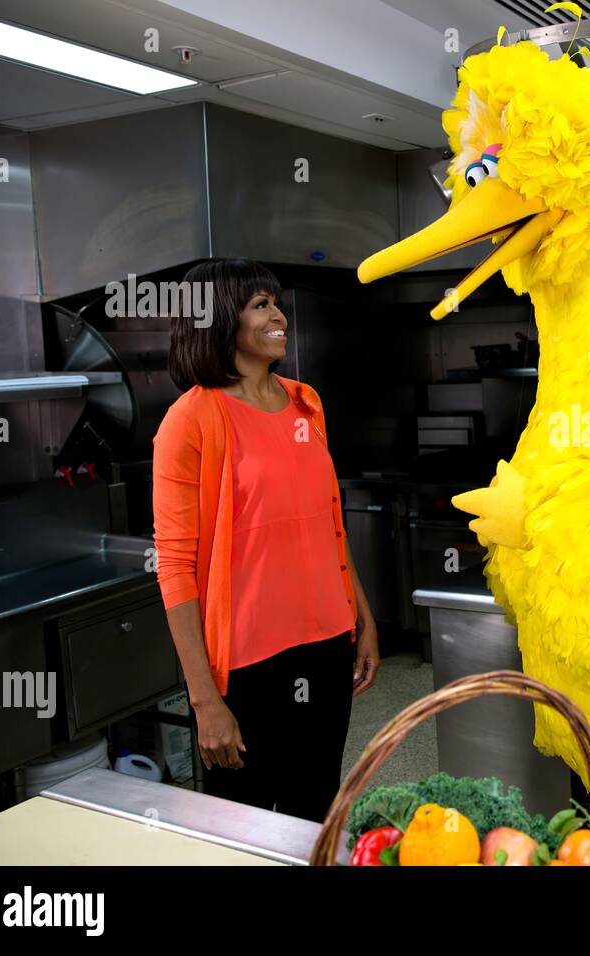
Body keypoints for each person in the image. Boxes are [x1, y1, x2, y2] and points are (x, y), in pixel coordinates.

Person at [152, 258, 378, 822]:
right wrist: (204, 701)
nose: (279, 315)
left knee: (315, 812)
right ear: (218, 319)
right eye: (260, 305)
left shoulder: (306, 403)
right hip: (248, 667)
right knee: (243, 827)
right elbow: (175, 564)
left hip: (326, 644)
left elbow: (327, 522)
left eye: (275, 303)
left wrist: (362, 616)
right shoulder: (191, 421)